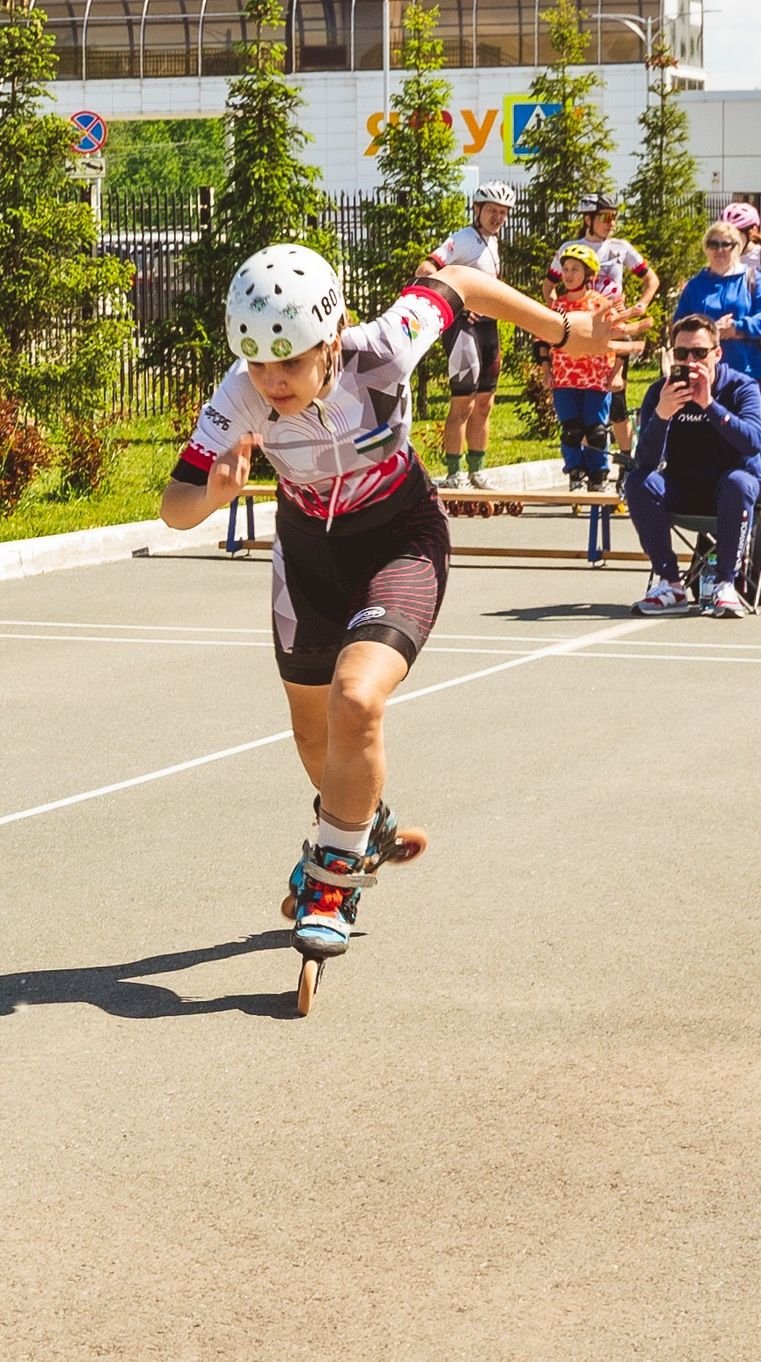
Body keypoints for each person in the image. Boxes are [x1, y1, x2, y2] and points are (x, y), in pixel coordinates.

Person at [161, 244, 640, 981]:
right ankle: (360, 821)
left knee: (358, 698)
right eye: (257, 362)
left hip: (400, 536)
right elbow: (175, 505)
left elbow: (464, 283)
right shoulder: (240, 392)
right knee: (318, 739)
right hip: (307, 553)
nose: (272, 379)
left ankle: (331, 883)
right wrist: (216, 497)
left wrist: (563, 331)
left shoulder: (384, 347)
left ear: (333, 336)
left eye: (289, 360)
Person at [627, 314, 761, 620]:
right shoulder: (660, 392)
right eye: (682, 353)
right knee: (638, 481)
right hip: (684, 486)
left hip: (731, 490)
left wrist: (709, 406)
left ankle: (726, 584)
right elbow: (646, 461)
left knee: (738, 482)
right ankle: (670, 584)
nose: (691, 361)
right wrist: (662, 414)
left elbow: (753, 442)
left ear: (717, 353)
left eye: (700, 353)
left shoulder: (742, 388)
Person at [419, 181, 515, 489]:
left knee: (486, 403)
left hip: (489, 327)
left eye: (502, 213)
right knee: (463, 403)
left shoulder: (491, 242)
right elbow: (426, 269)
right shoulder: (463, 239)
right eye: (491, 211)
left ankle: (477, 470)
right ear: (476, 210)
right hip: (463, 328)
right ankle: (454, 473)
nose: (497, 218)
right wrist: (455, 307)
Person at [560, 192, 662, 462]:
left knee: (616, 399)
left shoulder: (621, 247)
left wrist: (641, 304)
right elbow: (549, 286)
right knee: (582, 400)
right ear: (588, 219)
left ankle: (628, 460)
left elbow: (651, 280)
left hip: (613, 326)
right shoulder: (569, 247)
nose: (612, 224)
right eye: (606, 218)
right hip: (582, 328)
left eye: (615, 218)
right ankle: (585, 463)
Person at [545, 244, 628, 491]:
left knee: (596, 431)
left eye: (575, 270)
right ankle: (575, 473)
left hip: (596, 378)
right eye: (565, 269)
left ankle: (598, 475)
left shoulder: (600, 304)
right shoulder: (557, 306)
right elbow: (543, 342)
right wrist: (546, 371)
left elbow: (620, 340)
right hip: (564, 379)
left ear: (588, 274)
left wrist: (618, 374)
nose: (568, 275)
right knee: (571, 430)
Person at [672, 214, 761, 383]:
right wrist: (711, 330)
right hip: (701, 373)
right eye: (713, 244)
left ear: (737, 247)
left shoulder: (751, 278)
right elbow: (679, 325)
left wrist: (738, 327)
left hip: (746, 370)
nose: (719, 250)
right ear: (706, 248)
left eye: (726, 244)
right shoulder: (695, 285)